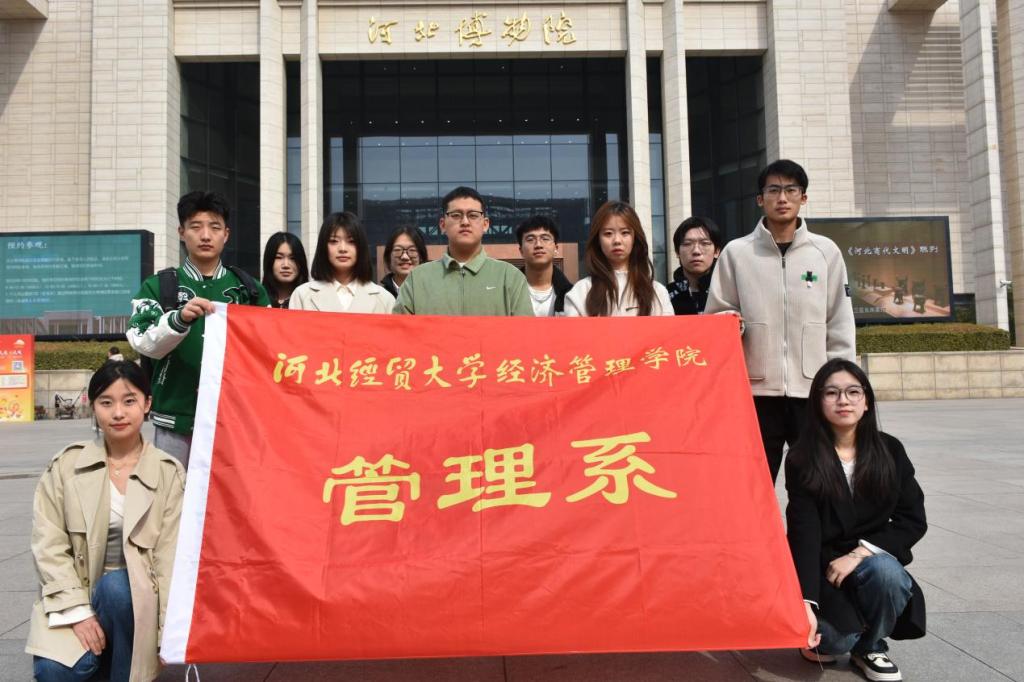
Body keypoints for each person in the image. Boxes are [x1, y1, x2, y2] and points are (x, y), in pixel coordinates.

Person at [26, 361, 185, 682]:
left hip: (137, 602)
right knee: (54, 672)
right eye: (106, 402)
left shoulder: (169, 472)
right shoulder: (66, 466)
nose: (118, 413)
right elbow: (48, 546)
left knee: (117, 589)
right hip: (79, 594)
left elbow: (170, 558)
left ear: (147, 404)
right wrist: (79, 613)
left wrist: (167, 632)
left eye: (129, 401)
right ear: (93, 405)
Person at [706, 159, 856, 483]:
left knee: (814, 482)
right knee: (753, 483)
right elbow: (715, 316)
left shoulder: (826, 252)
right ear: (760, 199)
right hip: (755, 393)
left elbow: (840, 321)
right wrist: (731, 322)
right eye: (774, 190)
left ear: (804, 197)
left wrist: (841, 381)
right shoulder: (737, 253)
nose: (782, 198)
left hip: (813, 390)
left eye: (791, 190)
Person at [786, 359, 926, 682]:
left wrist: (860, 553)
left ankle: (872, 645)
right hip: (825, 571)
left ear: (866, 402)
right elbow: (804, 533)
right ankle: (847, 633)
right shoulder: (803, 458)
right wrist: (805, 602)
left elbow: (912, 519)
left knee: (886, 571)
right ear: (818, 403)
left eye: (853, 392)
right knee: (834, 642)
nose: (843, 401)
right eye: (831, 393)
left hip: (871, 564)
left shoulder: (890, 450)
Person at [126, 191, 271, 468]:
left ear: (226, 234)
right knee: (173, 491)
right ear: (181, 232)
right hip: (175, 419)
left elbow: (269, 346)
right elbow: (141, 340)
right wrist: (177, 320)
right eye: (196, 227)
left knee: (231, 493)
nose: (205, 235)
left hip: (236, 420)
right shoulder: (159, 286)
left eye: (214, 227)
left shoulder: (248, 289)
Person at [393, 187, 533, 316]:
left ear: (485, 224)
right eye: (456, 215)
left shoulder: (510, 277)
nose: (465, 222)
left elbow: (524, 332)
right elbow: (399, 331)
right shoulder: (417, 279)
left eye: (473, 215)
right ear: (442, 224)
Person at [564, 201, 673, 317]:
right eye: (608, 233)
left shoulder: (658, 293)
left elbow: (670, 329)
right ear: (598, 240)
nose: (617, 240)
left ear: (635, 238)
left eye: (625, 233)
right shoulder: (580, 292)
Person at [289, 212, 396, 313]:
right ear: (323, 247)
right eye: (334, 241)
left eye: (351, 241)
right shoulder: (302, 295)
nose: (343, 249)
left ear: (361, 247)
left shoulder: (385, 299)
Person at [516, 215, 574, 316]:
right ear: (521, 251)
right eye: (530, 239)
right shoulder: (508, 292)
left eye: (545, 238)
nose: (538, 245)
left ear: (556, 249)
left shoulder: (572, 295)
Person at [666, 217, 722, 315]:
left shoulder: (729, 294)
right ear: (677, 252)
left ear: (717, 251)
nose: (696, 251)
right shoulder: (664, 296)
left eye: (704, 243)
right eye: (687, 244)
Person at [261, 232, 309, 309]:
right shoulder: (256, 299)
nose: (286, 265)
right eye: (279, 257)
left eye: (292, 258)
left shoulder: (312, 300)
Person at [380, 227, 428, 297]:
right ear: (389, 256)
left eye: (412, 250)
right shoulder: (380, 297)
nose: (404, 257)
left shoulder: (433, 293)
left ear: (421, 256)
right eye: (398, 250)